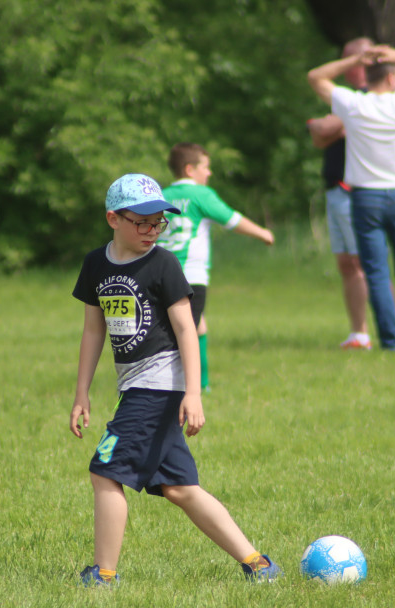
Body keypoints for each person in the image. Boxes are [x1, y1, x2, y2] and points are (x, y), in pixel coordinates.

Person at [69, 173, 281, 586]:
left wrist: (193, 394)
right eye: (142, 222)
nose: (152, 230)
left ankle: (103, 575)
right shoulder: (96, 263)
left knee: (106, 472)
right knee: (180, 488)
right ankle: (258, 565)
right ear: (113, 219)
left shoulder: (163, 263)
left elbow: (187, 329)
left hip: (158, 386)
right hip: (135, 386)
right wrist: (81, 393)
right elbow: (93, 330)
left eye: (159, 222)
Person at [308, 44, 395, 350]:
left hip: (366, 198)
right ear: (394, 77)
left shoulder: (354, 104)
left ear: (367, 76)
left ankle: (390, 341)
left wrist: (355, 59)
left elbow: (316, 76)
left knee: (376, 271)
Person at [157, 143, 274, 390]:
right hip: (190, 276)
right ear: (190, 169)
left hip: (159, 274)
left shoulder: (161, 196)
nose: (209, 173)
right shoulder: (201, 194)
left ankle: (203, 383)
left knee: (195, 325)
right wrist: (263, 233)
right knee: (183, 332)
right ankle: (180, 386)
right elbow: (231, 219)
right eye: (205, 167)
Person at [306, 37, 374, 351]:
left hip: (356, 191)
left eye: (354, 60)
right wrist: (329, 125)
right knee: (346, 263)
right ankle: (357, 331)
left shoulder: (372, 96)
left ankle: (375, 328)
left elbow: (324, 129)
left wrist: (327, 125)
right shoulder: (343, 100)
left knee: (365, 261)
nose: (348, 68)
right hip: (335, 189)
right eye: (345, 60)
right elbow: (320, 136)